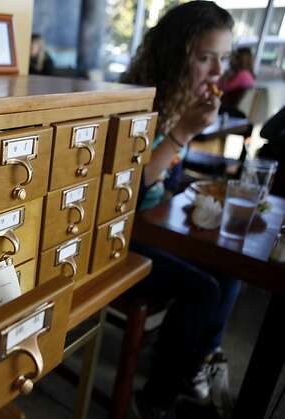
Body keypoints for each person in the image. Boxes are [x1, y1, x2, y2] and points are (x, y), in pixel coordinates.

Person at [121, 2, 240, 418]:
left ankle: (191, 363)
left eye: (222, 59)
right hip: (118, 234)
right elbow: (129, 192)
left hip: (154, 226)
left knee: (230, 265)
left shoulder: (183, 98)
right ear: (175, 55)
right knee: (203, 289)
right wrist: (184, 132)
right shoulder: (136, 102)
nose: (216, 72)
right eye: (205, 58)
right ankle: (155, 398)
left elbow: (166, 179)